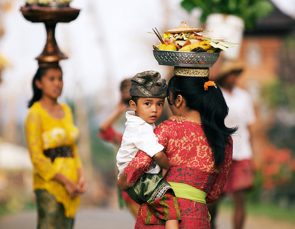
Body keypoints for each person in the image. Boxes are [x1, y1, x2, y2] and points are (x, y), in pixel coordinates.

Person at [117, 67, 236, 228]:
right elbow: (214, 193)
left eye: (166, 101)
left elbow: (139, 165)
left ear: (179, 100)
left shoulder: (168, 128)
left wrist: (122, 182)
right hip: (197, 219)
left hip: (158, 218)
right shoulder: (225, 140)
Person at [117, 71, 182, 229]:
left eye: (159, 104)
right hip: (139, 179)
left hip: (139, 177)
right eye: (148, 103)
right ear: (134, 105)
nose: (154, 109)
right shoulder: (140, 127)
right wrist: (166, 166)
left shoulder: (140, 122)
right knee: (170, 206)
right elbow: (158, 154)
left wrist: (170, 120)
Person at [25, 65, 87, 229]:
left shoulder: (66, 110)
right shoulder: (35, 114)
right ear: (39, 83)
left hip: (72, 183)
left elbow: (72, 149)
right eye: (51, 79)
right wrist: (65, 181)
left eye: (60, 78)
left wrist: (80, 176)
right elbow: (36, 157)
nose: (57, 83)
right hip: (49, 185)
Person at [208, 61, 255, 229]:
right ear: (223, 75)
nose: (234, 77)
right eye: (231, 73)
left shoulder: (244, 96)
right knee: (214, 197)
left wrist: (253, 155)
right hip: (220, 152)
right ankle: (212, 224)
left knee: (240, 198)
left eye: (236, 73)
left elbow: (250, 126)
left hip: (242, 152)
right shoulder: (214, 94)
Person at [98, 78, 141, 216]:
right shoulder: (122, 127)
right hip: (129, 182)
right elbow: (103, 130)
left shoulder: (144, 119)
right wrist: (118, 111)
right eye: (124, 91)